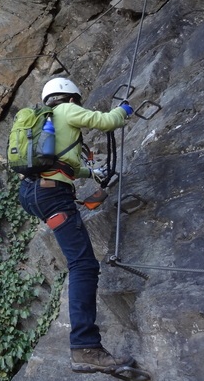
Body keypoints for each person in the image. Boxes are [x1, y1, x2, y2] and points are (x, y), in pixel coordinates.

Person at [18, 77, 135, 374]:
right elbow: (106, 122)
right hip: (52, 195)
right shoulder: (68, 110)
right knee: (83, 266)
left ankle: (85, 346)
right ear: (71, 98)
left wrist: (90, 171)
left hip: (33, 193)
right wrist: (124, 110)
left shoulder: (45, 120)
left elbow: (60, 162)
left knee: (80, 263)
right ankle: (85, 347)